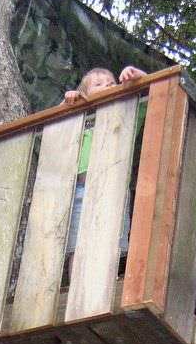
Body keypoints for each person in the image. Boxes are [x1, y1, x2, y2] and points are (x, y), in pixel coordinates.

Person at [62, 65, 146, 274]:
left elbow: (150, 91)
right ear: (84, 94)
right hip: (81, 192)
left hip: (113, 191)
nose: (107, 86)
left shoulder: (127, 115)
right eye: (98, 84)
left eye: (111, 83)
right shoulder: (80, 121)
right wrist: (68, 101)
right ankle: (75, 287)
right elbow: (57, 123)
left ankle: (104, 285)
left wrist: (137, 76)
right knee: (77, 247)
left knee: (109, 244)